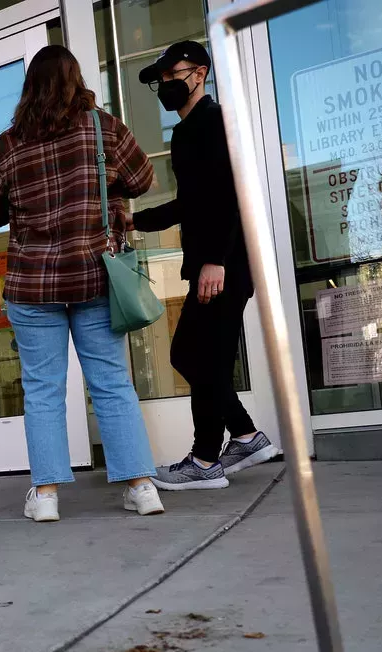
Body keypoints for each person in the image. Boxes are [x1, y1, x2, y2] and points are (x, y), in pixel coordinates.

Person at [0, 45, 163, 522]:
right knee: (110, 381)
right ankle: (142, 487)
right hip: (94, 276)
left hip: (32, 283)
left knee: (42, 388)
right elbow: (145, 179)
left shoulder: (6, 145)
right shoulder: (103, 128)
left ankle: (45, 496)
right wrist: (106, 187)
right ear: (76, 79)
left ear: (30, 88)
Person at [131, 41, 280, 491]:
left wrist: (216, 259)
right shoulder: (187, 131)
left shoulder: (214, 122)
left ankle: (205, 458)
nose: (165, 86)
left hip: (223, 265)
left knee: (201, 358)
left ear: (199, 73)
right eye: (161, 80)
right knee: (197, 357)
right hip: (210, 264)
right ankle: (245, 437)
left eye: (172, 75)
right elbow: (191, 203)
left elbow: (235, 195)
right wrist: (133, 219)